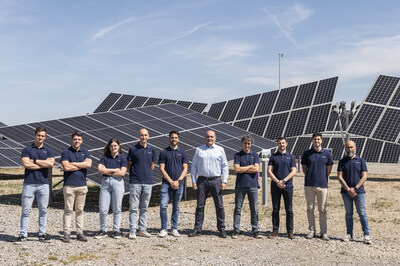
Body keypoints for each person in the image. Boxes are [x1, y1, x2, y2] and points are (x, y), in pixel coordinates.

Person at [15, 127, 55, 244]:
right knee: (26, 210)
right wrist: (43, 164)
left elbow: (51, 163)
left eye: (42, 136)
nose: (40, 137)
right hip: (29, 184)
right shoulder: (27, 149)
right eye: (38, 135)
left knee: (43, 210)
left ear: (45, 137)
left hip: (43, 184)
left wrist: (35, 161)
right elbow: (26, 164)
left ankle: (42, 234)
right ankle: (23, 234)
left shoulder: (49, 151)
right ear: (35, 135)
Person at [189, 130, 229, 238]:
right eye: (208, 137)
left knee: (219, 205)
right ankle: (197, 229)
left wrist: (224, 181)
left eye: (211, 137)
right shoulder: (199, 150)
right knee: (200, 206)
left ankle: (221, 228)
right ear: (204, 138)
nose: (210, 138)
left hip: (216, 180)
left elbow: (225, 166)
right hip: (201, 181)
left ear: (215, 138)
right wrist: (193, 180)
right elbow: (194, 166)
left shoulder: (220, 150)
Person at [337, 140, 371, 244]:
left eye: (351, 147)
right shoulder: (342, 161)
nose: (350, 149)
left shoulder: (361, 161)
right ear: (345, 148)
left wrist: (355, 189)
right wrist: (348, 189)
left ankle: (366, 235)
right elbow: (339, 176)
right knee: (348, 213)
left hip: (359, 192)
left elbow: (364, 176)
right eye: (348, 147)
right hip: (345, 192)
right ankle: (349, 234)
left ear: (355, 147)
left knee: (362, 213)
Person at [61, 131, 92, 243]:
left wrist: (73, 164)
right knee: (68, 210)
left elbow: (88, 164)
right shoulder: (66, 152)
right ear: (71, 140)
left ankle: (79, 232)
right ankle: (66, 233)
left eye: (79, 139)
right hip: (69, 185)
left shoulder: (86, 152)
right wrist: (81, 164)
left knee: (80, 210)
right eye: (75, 139)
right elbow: (66, 167)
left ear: (82, 140)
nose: (77, 141)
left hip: (82, 185)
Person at [301, 132, 333, 241]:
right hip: (309, 185)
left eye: (318, 139)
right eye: (315, 139)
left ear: (321, 140)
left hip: (322, 185)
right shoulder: (307, 154)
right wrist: (310, 176)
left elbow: (329, 169)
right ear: (312, 141)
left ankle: (323, 231)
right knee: (310, 208)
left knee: (322, 209)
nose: (317, 141)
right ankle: (312, 230)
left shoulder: (327, 154)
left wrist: (322, 177)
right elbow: (304, 168)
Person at [127, 128, 157, 239]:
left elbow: (152, 165)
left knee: (144, 207)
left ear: (148, 136)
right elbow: (129, 164)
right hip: (135, 182)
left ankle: (142, 229)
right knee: (134, 207)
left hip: (148, 182)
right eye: (141, 135)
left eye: (145, 135)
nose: (143, 137)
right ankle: (132, 230)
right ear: (138, 136)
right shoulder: (133, 149)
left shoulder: (152, 150)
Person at [158, 131, 189, 238]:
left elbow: (185, 168)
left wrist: (178, 181)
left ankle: (174, 228)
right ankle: (163, 229)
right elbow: (162, 169)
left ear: (178, 139)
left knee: (176, 207)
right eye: (172, 137)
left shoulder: (183, 152)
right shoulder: (164, 152)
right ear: (169, 138)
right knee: (163, 206)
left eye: (176, 137)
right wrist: (171, 181)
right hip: (166, 184)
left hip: (179, 184)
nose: (174, 139)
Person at [95, 138, 127, 239]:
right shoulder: (105, 157)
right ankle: (103, 230)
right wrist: (113, 170)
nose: (113, 147)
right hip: (106, 183)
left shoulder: (122, 158)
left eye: (115, 146)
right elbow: (100, 170)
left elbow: (122, 173)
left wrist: (107, 171)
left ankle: (116, 230)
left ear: (119, 146)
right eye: (111, 146)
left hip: (118, 183)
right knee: (103, 208)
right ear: (109, 147)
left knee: (117, 208)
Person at [267, 137, 297, 239]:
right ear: (277, 144)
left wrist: (283, 181)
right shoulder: (273, 157)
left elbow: (294, 171)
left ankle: (290, 231)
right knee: (275, 209)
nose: (281, 145)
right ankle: (275, 231)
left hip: (287, 186)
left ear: (286, 144)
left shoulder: (291, 157)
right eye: (279, 143)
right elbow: (269, 171)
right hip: (275, 186)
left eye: (283, 143)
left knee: (289, 209)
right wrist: (277, 181)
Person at [232, 135, 261, 239]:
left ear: (251, 144)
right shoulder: (237, 155)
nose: (247, 145)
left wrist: (243, 169)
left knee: (254, 209)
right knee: (238, 208)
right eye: (245, 143)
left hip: (253, 185)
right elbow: (237, 170)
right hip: (240, 185)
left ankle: (255, 230)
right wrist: (249, 166)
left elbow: (256, 169)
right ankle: (236, 229)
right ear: (242, 143)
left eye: (249, 143)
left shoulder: (255, 155)